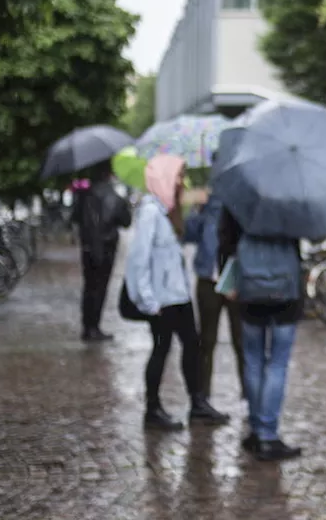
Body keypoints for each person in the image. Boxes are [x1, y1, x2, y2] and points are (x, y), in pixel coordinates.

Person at [125, 154, 230, 430]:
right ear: (164, 179)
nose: (182, 181)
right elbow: (138, 259)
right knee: (161, 350)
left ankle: (197, 403)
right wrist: (147, 299)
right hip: (161, 300)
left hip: (178, 296)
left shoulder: (168, 211)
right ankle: (153, 409)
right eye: (178, 176)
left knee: (192, 347)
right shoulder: (151, 212)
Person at [218, 209, 304, 462]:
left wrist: (228, 278)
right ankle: (268, 434)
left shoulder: (240, 194)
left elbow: (225, 239)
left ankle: (257, 430)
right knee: (277, 363)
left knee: (253, 360)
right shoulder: (291, 197)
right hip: (285, 290)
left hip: (250, 286)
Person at [183, 153, 246, 403]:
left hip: (236, 280)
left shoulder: (243, 200)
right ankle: (202, 397)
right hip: (208, 279)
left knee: (241, 341)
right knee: (205, 341)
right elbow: (188, 235)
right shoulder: (207, 202)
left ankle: (249, 394)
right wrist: (196, 210)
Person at [71, 162, 132, 342]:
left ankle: (87, 326)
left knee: (89, 287)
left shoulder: (84, 196)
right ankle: (94, 327)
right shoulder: (115, 197)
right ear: (109, 174)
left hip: (88, 247)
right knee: (100, 288)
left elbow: (75, 217)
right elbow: (126, 222)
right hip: (106, 249)